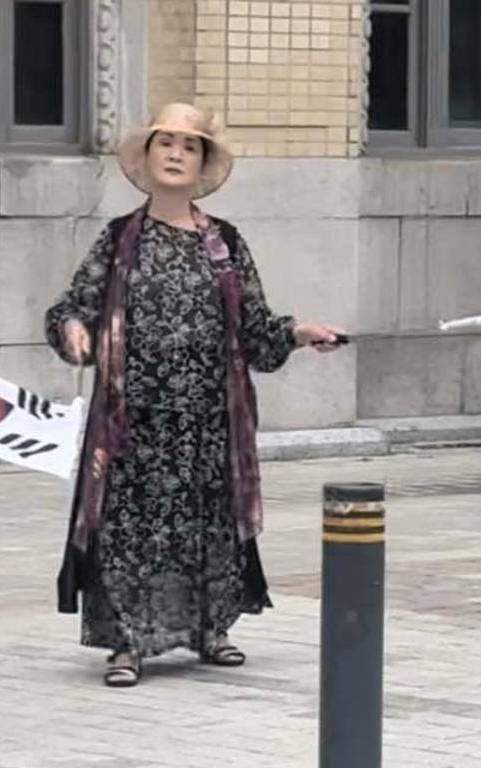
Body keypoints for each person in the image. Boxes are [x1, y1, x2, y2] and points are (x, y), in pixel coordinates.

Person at [44, 103, 342, 687]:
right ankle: (126, 643)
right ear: (149, 157)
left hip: (208, 421)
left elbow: (256, 330)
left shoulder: (224, 243)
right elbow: (72, 306)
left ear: (202, 163)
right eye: (167, 144)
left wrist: (300, 333)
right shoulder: (120, 238)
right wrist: (75, 331)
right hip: (132, 422)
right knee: (129, 530)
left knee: (206, 527)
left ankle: (211, 631)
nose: (177, 154)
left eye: (190, 146)